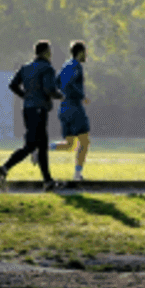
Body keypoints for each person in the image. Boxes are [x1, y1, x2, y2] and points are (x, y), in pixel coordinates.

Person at [0, 40, 61, 192]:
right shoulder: (47, 68)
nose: (51, 53)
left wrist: (26, 97)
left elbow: (13, 85)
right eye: (49, 50)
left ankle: (48, 181)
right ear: (44, 52)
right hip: (39, 110)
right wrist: (61, 96)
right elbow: (50, 89)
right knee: (32, 145)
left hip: (28, 110)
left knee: (41, 146)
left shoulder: (26, 67)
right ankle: (4, 168)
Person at [51, 41, 90, 189]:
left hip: (64, 108)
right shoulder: (76, 66)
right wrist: (82, 95)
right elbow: (69, 83)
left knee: (69, 144)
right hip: (75, 108)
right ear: (79, 52)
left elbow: (57, 82)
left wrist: (62, 95)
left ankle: (42, 149)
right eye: (85, 52)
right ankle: (77, 175)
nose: (86, 55)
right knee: (84, 143)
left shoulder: (65, 65)